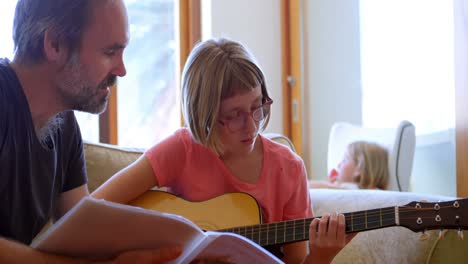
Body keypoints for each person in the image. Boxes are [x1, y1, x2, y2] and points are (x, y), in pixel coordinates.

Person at [92, 38, 353, 264]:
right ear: (203, 114)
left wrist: (322, 255)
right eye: (234, 115)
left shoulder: (289, 168)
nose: (251, 125)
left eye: (257, 106)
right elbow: (93, 208)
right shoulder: (182, 149)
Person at [0, 0, 181, 263]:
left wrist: (181, 251)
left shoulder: (64, 124)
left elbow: (80, 232)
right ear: (55, 44)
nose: (122, 69)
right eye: (110, 52)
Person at [309, 141, 390, 190]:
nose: (339, 164)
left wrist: (333, 185)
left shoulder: (352, 188)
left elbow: (305, 186)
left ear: (359, 168)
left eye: (344, 159)